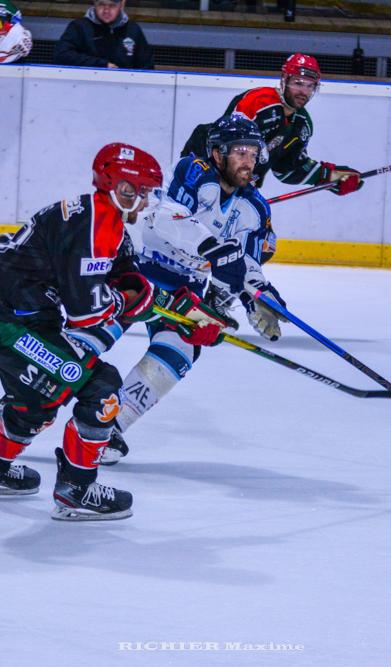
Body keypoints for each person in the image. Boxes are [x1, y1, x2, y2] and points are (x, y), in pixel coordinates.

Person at [0, 143, 163, 521]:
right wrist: (131, 303)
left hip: (11, 318)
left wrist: (175, 304)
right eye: (139, 192)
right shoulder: (95, 223)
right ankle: (78, 490)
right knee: (100, 388)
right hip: (7, 325)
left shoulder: (103, 218)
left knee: (40, 400)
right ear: (119, 189)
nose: (144, 201)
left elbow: (127, 277)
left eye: (149, 193)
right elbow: (88, 313)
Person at [99, 116, 286, 465]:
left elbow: (246, 261)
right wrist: (212, 247)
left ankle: (109, 425)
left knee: (181, 349)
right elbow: (165, 215)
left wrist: (259, 296)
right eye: (240, 152)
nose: (249, 161)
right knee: (95, 336)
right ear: (218, 154)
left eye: (254, 153)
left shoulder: (256, 209)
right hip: (139, 267)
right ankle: (28, 407)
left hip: (186, 287)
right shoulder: (194, 171)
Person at [180, 53, 364, 261]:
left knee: (263, 244)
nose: (303, 91)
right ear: (284, 80)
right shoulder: (259, 102)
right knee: (191, 239)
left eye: (309, 86)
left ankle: (218, 291)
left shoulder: (302, 124)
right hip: (205, 176)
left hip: (238, 186)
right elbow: (229, 146)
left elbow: (288, 170)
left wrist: (330, 177)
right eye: (298, 83)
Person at [54, 0, 155, 70]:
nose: (106, 10)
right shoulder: (79, 27)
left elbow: (147, 67)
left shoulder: (133, 30)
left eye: (112, 5)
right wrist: (101, 65)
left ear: (122, 4)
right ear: (94, 3)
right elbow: (61, 55)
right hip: (85, 89)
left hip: (124, 91)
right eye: (101, 4)